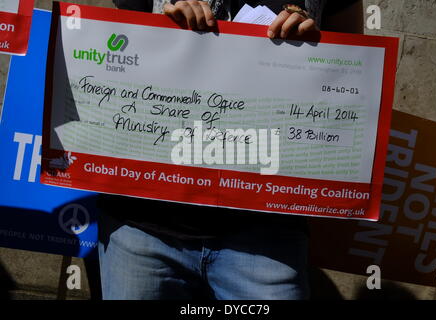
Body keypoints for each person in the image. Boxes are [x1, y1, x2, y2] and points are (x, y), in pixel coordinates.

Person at [98, 0, 364, 300]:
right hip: (144, 228)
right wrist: (162, 32)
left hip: (267, 236)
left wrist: (317, 49)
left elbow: (354, 74)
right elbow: (115, 61)